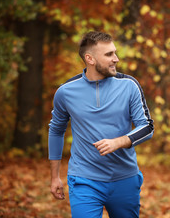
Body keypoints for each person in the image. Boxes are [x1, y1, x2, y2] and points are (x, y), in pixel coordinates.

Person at [48, 31, 154, 218]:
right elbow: (56, 131)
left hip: (125, 180)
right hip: (84, 180)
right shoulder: (66, 92)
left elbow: (147, 127)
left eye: (115, 52)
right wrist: (55, 176)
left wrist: (118, 142)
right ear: (90, 58)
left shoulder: (129, 85)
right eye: (109, 54)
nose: (116, 59)